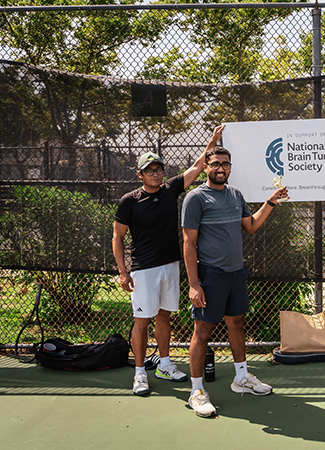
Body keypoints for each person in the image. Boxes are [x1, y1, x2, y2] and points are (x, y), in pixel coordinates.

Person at [113, 125, 225, 396]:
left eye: (159, 169)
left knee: (164, 317)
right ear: (140, 174)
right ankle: (140, 373)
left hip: (171, 266)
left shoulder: (170, 189)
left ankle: (164, 364)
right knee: (142, 321)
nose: (156, 173)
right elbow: (117, 238)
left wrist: (211, 140)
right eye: (150, 170)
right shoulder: (129, 201)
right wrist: (123, 271)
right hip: (143, 270)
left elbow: (198, 166)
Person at [181, 145, 289, 418]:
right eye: (215, 164)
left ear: (230, 167)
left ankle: (241, 378)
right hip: (210, 275)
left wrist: (271, 201)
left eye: (225, 164)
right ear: (206, 167)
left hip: (236, 272)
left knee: (237, 323)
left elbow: (251, 226)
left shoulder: (236, 195)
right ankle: (196, 391)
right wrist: (194, 284)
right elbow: (189, 243)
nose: (221, 168)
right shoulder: (195, 198)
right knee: (202, 332)